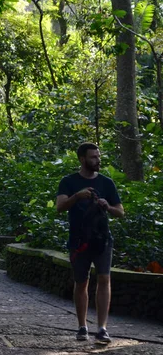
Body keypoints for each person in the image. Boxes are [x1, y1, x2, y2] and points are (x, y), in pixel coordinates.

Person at [56, 143, 124, 343]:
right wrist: (77, 196)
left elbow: (120, 212)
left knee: (104, 279)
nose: (98, 160)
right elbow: (60, 207)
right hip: (78, 241)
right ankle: (82, 326)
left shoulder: (107, 183)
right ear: (82, 159)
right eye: (93, 157)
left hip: (102, 240)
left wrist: (107, 206)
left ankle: (102, 328)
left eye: (98, 156)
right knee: (81, 282)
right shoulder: (68, 182)